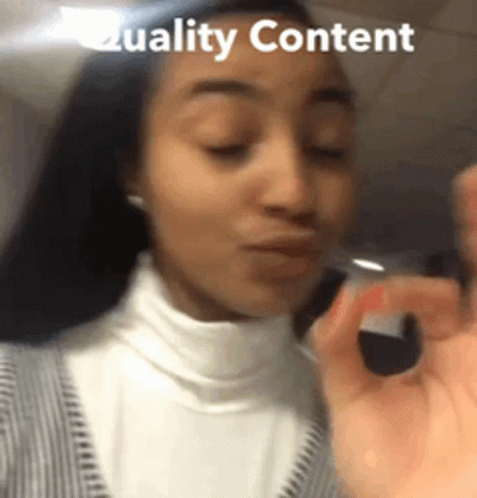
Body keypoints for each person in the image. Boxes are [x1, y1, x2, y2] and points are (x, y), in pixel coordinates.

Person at [1, 1, 477, 497]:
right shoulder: (10, 399)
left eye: (327, 144)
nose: (295, 192)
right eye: (226, 140)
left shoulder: (378, 441)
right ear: (133, 169)